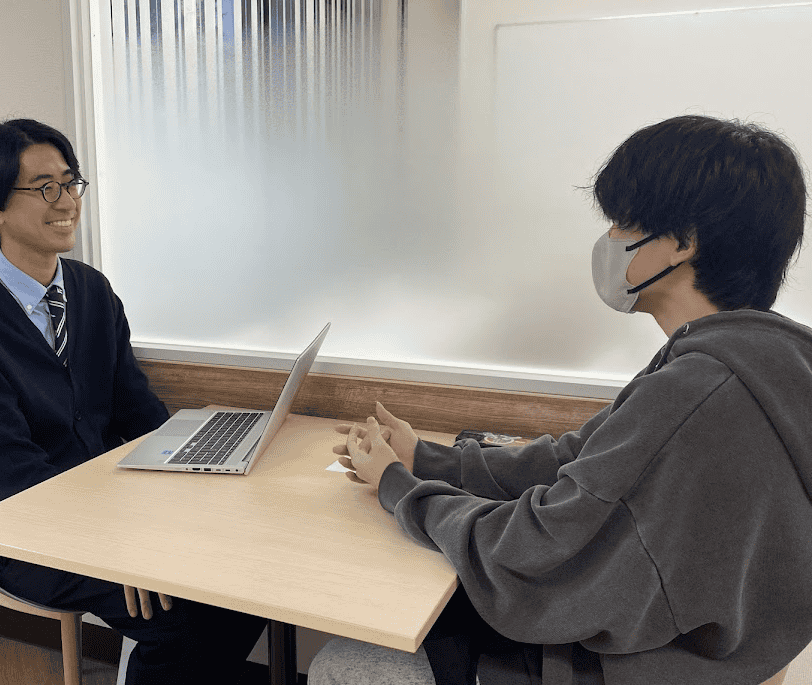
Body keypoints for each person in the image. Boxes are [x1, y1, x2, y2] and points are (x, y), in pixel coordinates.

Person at [309, 115, 812, 685]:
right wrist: (427, 458)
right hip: (716, 652)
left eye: (624, 222)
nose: (610, 240)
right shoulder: (754, 363)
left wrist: (397, 487)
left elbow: (533, 554)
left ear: (682, 243)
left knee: (349, 662)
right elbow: (577, 461)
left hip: (634, 665)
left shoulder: (696, 392)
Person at [0, 118, 266, 684]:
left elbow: (138, 413)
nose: (67, 202)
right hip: (14, 528)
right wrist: (117, 546)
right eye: (44, 188)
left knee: (247, 581)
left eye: (70, 182)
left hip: (108, 508)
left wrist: (190, 492)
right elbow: (8, 474)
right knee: (181, 618)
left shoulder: (91, 290)